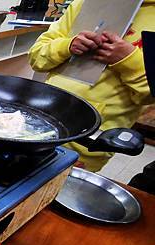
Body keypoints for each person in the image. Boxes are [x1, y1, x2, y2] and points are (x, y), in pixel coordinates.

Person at [28, 0, 155, 172]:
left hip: (89, 142)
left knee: (60, 192)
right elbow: (36, 57)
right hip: (38, 121)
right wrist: (68, 45)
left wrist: (128, 60)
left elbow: (149, 96)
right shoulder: (86, 3)